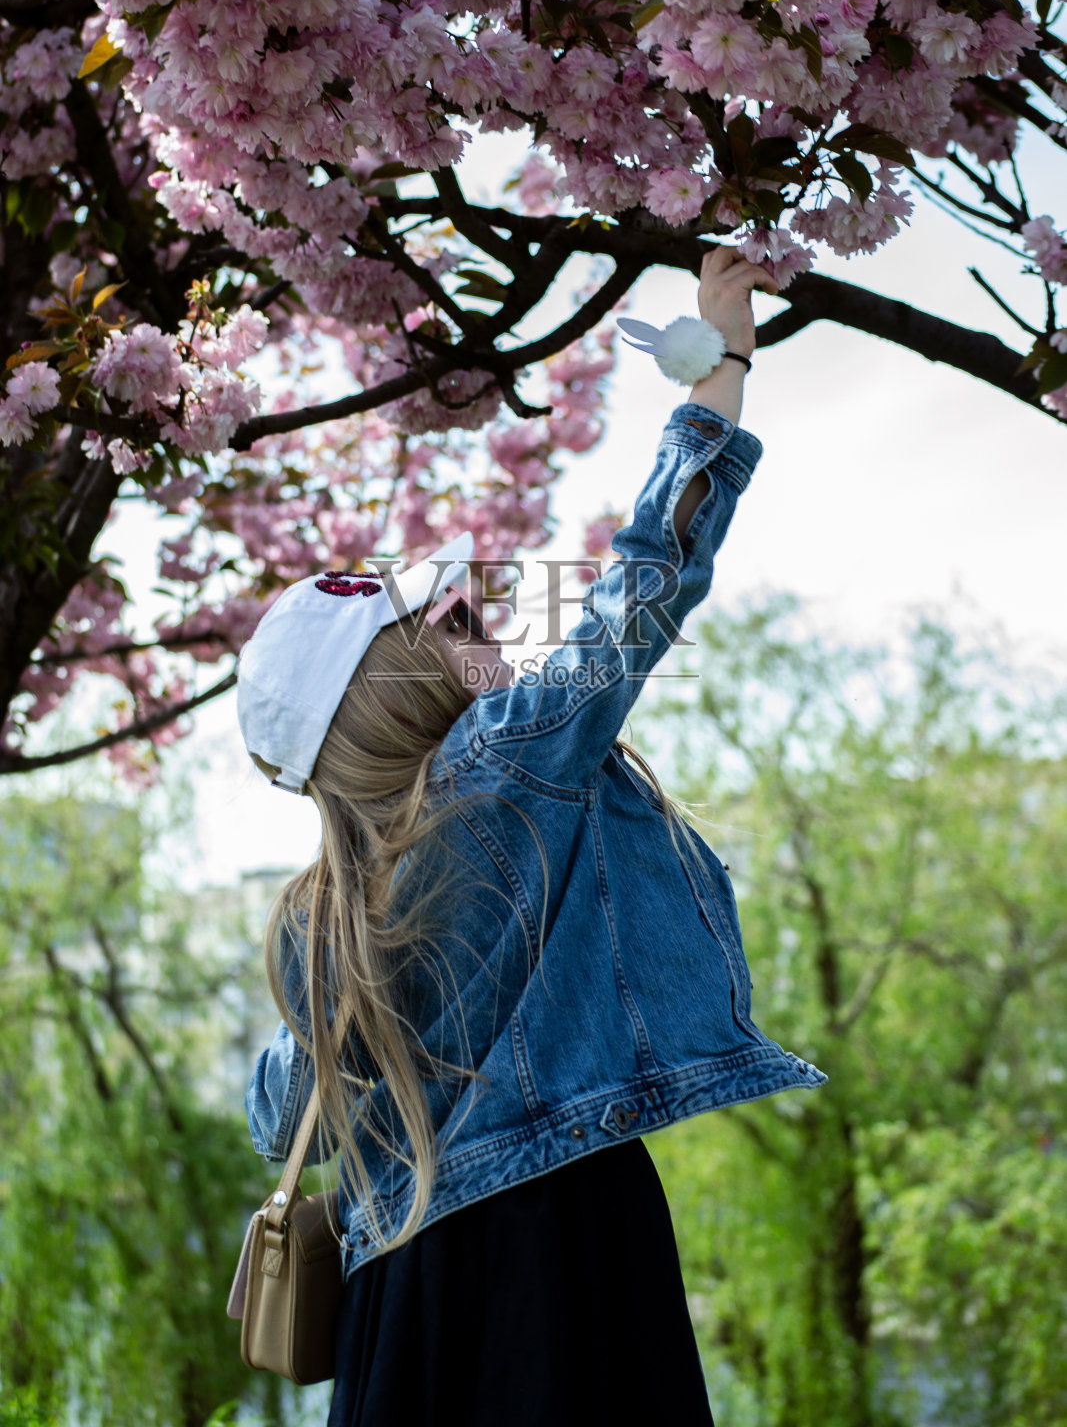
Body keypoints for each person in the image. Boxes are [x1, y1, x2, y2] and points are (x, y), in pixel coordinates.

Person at [238, 247, 826, 1426]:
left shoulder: (313, 914)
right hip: (561, 1248)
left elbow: (277, 1110)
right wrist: (720, 364)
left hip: (400, 1289)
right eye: (452, 618)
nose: (490, 617)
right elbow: (645, 583)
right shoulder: (504, 765)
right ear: (395, 683)